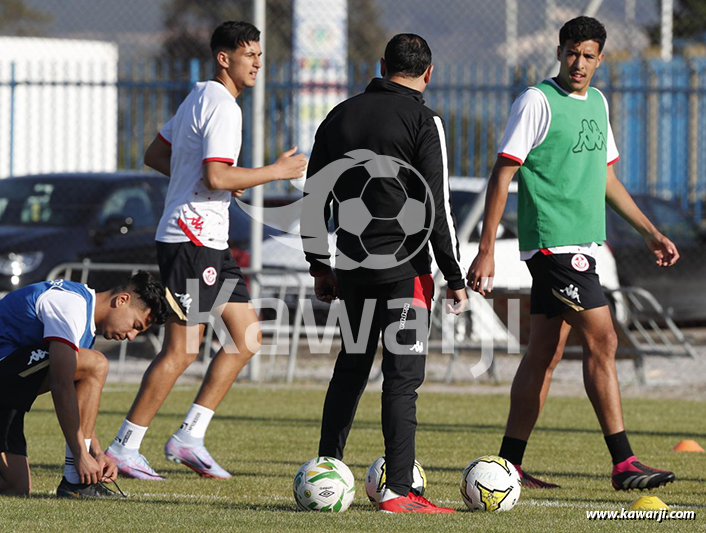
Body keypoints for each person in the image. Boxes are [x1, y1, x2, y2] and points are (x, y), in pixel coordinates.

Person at [468, 16, 678, 491]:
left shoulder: (599, 103)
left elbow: (605, 178)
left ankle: (507, 466)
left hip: (583, 246)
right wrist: (487, 251)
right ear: (559, 51)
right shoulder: (537, 101)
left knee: (545, 350)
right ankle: (624, 463)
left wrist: (649, 231)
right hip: (552, 245)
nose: (578, 63)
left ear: (600, 59)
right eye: (571, 53)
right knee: (603, 339)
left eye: (588, 56)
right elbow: (502, 174)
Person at [105, 21, 307, 480]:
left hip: (207, 242)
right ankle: (124, 445)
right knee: (182, 350)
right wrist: (274, 171)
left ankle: (189, 436)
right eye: (249, 54)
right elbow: (217, 176)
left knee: (247, 334)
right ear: (224, 58)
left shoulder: (199, 95)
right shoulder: (222, 105)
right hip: (191, 240)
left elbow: (157, 154)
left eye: (260, 55)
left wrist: (204, 183)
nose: (258, 63)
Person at [303, 34, 468, 513]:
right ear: (428, 73)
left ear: (382, 65)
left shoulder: (340, 114)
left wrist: (319, 264)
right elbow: (437, 206)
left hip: (353, 269)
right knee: (401, 378)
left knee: (351, 368)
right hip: (405, 272)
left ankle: (325, 470)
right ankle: (399, 489)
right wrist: (453, 275)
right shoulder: (424, 119)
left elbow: (315, 199)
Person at [0, 271, 167, 498]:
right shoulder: (70, 305)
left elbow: (75, 398)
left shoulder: (84, 324)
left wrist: (95, 452)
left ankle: (76, 479)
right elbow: (61, 384)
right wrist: (80, 454)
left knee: (16, 487)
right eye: (135, 325)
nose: (131, 336)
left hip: (8, 398)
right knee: (96, 363)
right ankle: (75, 481)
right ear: (122, 300)